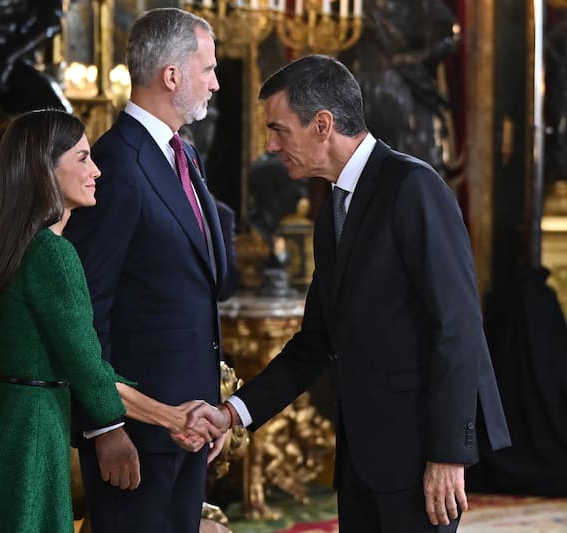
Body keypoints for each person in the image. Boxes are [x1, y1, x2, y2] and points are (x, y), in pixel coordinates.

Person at [187, 55, 512, 533]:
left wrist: (447, 455)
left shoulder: (414, 187)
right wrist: (233, 412)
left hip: (419, 459)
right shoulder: (333, 209)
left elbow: (458, 329)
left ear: (323, 124)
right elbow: (316, 343)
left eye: (279, 130)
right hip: (361, 460)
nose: (271, 145)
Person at [0, 108, 211, 532]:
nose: (97, 170)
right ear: (45, 169)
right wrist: (173, 418)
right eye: (83, 158)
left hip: (8, 424)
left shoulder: (14, 246)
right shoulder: (53, 253)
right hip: (35, 434)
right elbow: (88, 370)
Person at [63, 7, 227, 532]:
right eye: (208, 69)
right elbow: (85, 311)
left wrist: (214, 408)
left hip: (187, 426)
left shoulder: (186, 157)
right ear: (172, 75)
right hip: (136, 434)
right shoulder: (117, 163)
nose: (216, 83)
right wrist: (104, 428)